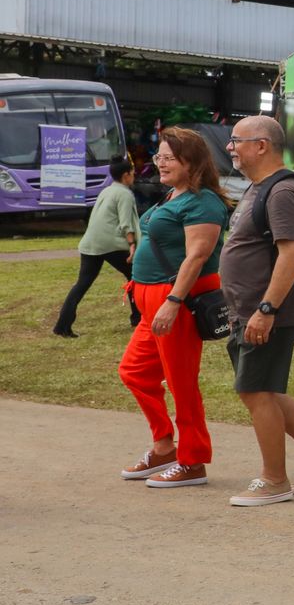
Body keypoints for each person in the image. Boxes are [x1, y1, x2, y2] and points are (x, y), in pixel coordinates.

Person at [220, 116, 294, 508]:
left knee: (254, 391)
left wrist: (267, 308)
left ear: (261, 145)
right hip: (250, 312)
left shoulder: (283, 191)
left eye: (236, 140)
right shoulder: (258, 189)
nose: (230, 148)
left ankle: (274, 479)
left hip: (270, 313)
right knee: (264, 390)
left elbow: (293, 252)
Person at [119, 127, 231, 488]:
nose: (160, 163)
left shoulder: (204, 202)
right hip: (153, 298)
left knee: (182, 383)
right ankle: (164, 445)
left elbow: (197, 256)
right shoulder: (173, 194)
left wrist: (172, 301)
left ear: (191, 161)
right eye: (159, 157)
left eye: (169, 157)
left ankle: (193, 461)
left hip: (177, 299)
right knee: (134, 371)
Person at [54, 156, 138, 338]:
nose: (134, 176)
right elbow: (125, 224)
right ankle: (137, 319)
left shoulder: (106, 190)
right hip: (110, 244)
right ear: (125, 175)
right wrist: (132, 245)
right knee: (135, 277)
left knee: (81, 284)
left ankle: (62, 326)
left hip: (90, 243)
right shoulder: (124, 194)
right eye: (133, 173)